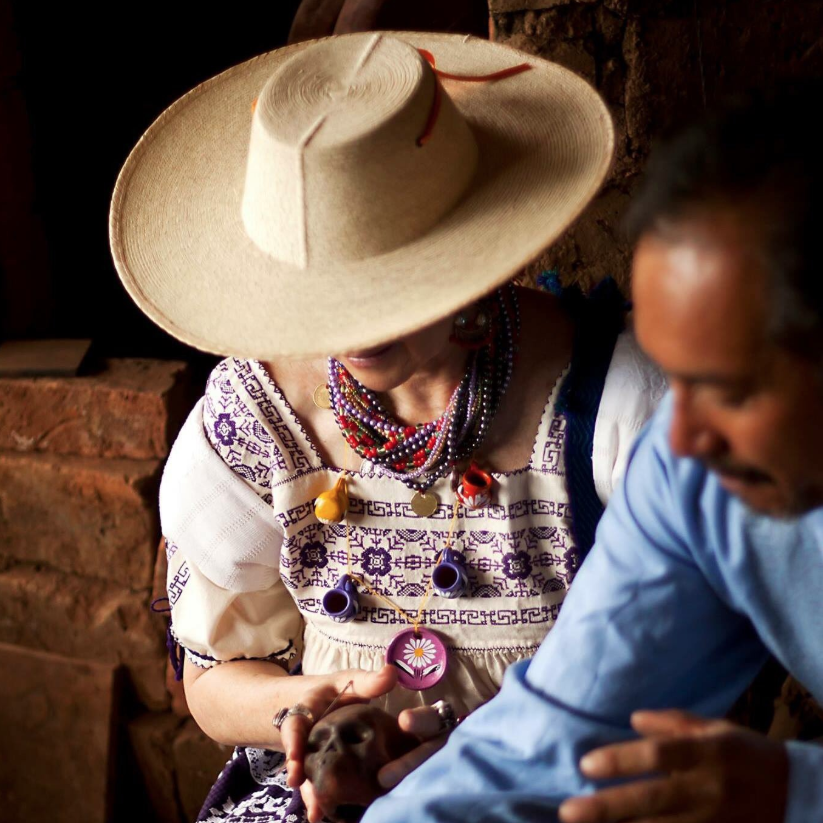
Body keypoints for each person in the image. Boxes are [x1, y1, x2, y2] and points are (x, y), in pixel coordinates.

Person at [109, 31, 662, 823]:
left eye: (385, 291)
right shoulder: (256, 420)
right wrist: (311, 707)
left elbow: (688, 679)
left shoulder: (617, 405)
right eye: (321, 296)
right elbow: (215, 676)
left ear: (469, 247)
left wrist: (484, 752)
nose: (351, 335)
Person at [361, 88, 823, 823]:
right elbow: (547, 740)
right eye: (677, 383)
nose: (680, 439)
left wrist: (799, 793)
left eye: (728, 389)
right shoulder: (690, 473)